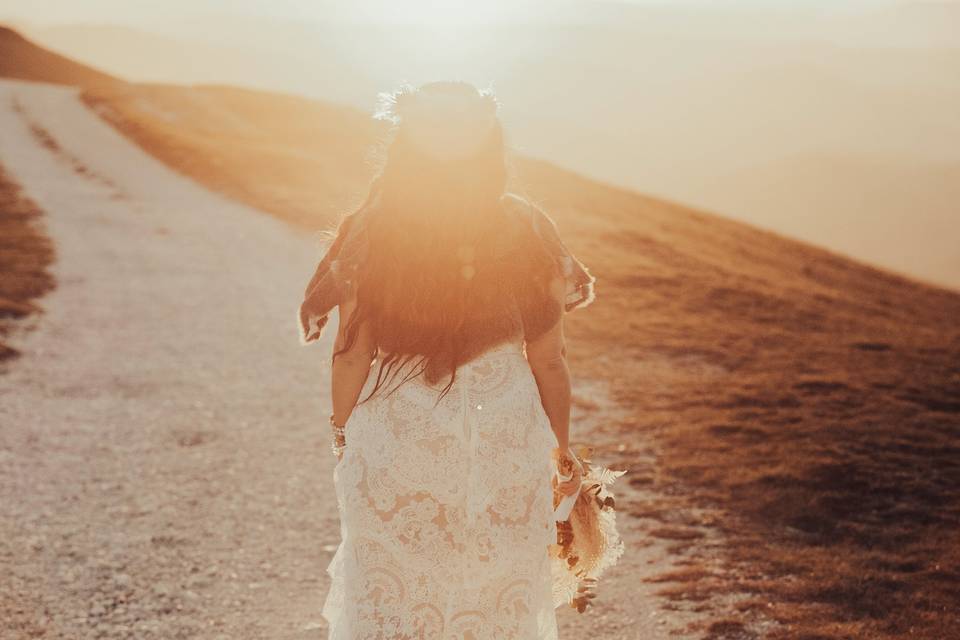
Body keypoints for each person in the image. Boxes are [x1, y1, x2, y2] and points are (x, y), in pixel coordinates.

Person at [298, 80, 595, 640]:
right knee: (494, 587)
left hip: (397, 435)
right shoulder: (530, 229)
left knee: (397, 586)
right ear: (491, 144)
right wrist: (561, 450)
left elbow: (352, 352)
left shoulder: (373, 229)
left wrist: (343, 435)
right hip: (503, 439)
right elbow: (549, 360)